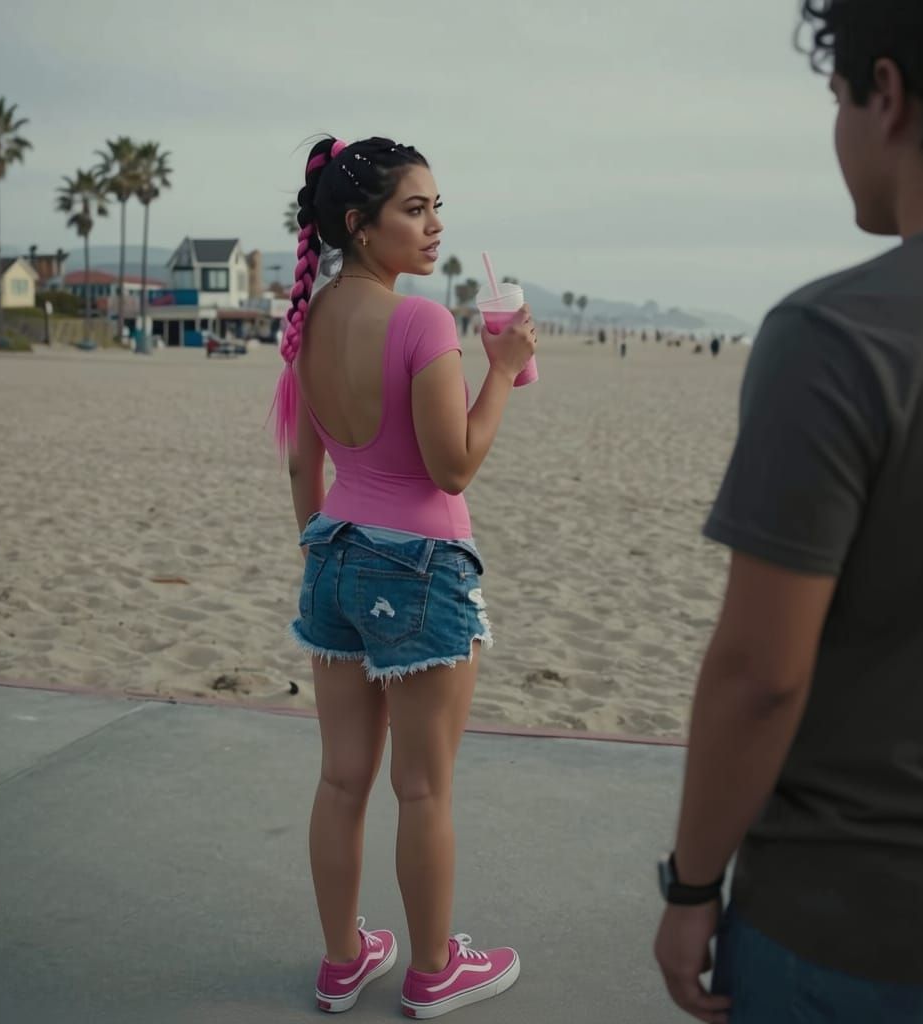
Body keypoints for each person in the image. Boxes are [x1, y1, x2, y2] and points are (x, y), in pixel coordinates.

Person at [653, 2, 923, 1022]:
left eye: (835, 98)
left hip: (854, 922)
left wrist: (691, 886)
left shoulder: (838, 335)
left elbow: (761, 673)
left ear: (883, 94)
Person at [272, 136, 535, 1018]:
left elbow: (305, 469)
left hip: (335, 556)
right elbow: (451, 466)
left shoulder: (307, 325)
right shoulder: (421, 323)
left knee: (342, 778)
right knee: (422, 786)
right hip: (421, 563)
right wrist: (499, 373)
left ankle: (343, 961)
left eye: (436, 208)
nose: (434, 227)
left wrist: (321, 553)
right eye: (413, 210)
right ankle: (432, 971)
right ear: (360, 224)